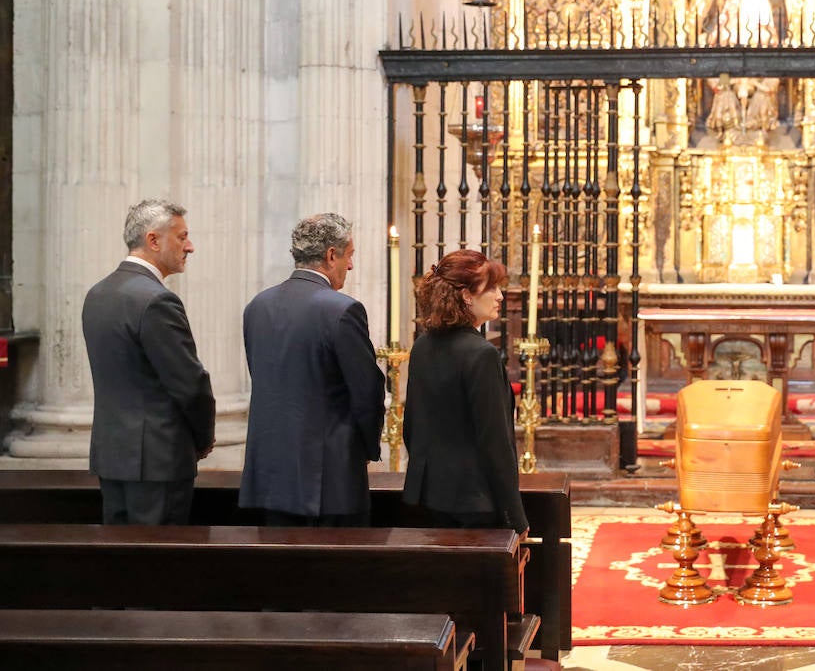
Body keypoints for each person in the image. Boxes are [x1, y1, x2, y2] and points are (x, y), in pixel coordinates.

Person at [239, 213, 385, 526]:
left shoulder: (257, 306)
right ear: (332, 254)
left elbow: (265, 381)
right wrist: (368, 447)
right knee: (333, 572)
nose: (351, 265)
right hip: (329, 480)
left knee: (280, 571)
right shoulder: (342, 309)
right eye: (350, 255)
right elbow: (367, 393)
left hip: (270, 475)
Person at [83, 199, 216, 525]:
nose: (190, 246)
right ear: (154, 240)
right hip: (157, 462)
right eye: (182, 236)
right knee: (156, 567)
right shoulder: (157, 300)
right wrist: (203, 439)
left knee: (122, 562)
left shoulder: (98, 293)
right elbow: (189, 384)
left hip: (113, 456)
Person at [402, 249, 529, 534]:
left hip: (430, 497)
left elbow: (411, 426)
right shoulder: (481, 354)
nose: (500, 296)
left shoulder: (423, 345)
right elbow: (495, 443)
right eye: (492, 287)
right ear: (466, 295)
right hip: (476, 504)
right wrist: (516, 518)